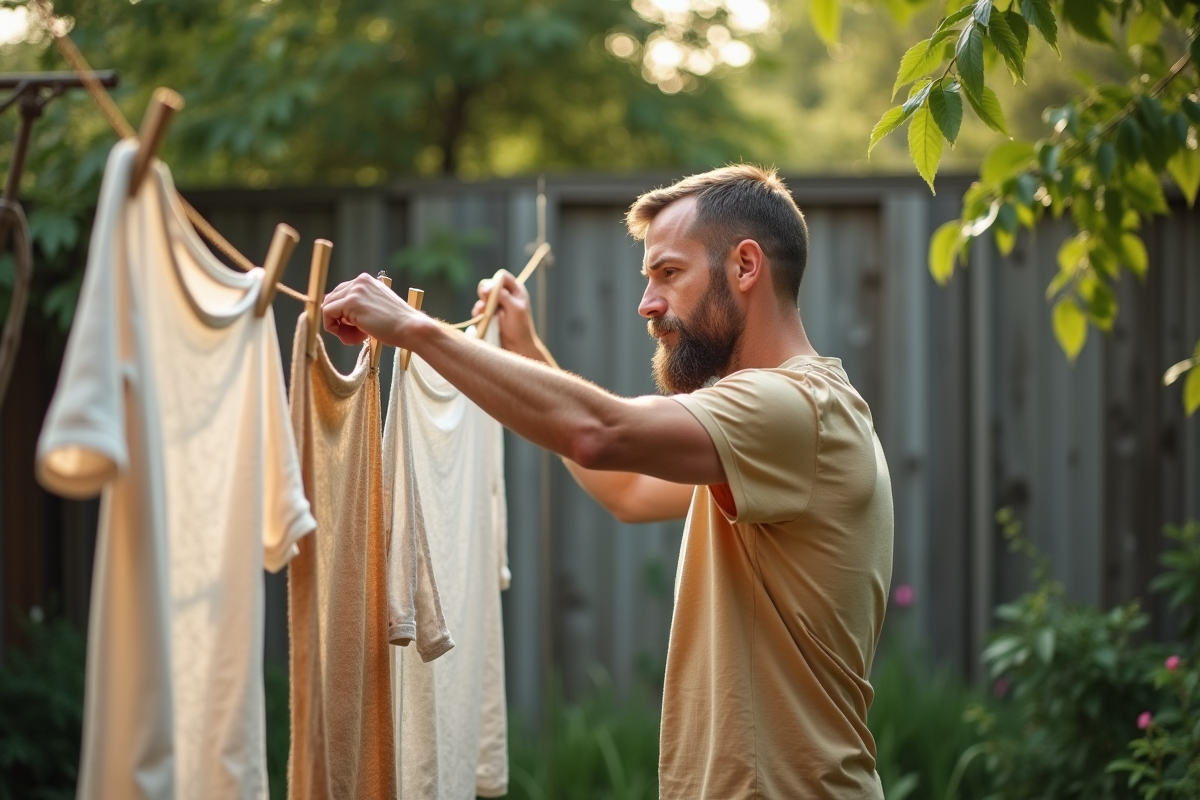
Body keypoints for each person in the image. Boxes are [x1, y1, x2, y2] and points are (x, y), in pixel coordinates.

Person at [322, 164, 894, 799]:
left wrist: (411, 330)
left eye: (669, 274)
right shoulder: (776, 429)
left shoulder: (796, 408)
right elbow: (628, 490)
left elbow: (600, 433)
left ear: (746, 266)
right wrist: (527, 355)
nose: (647, 304)